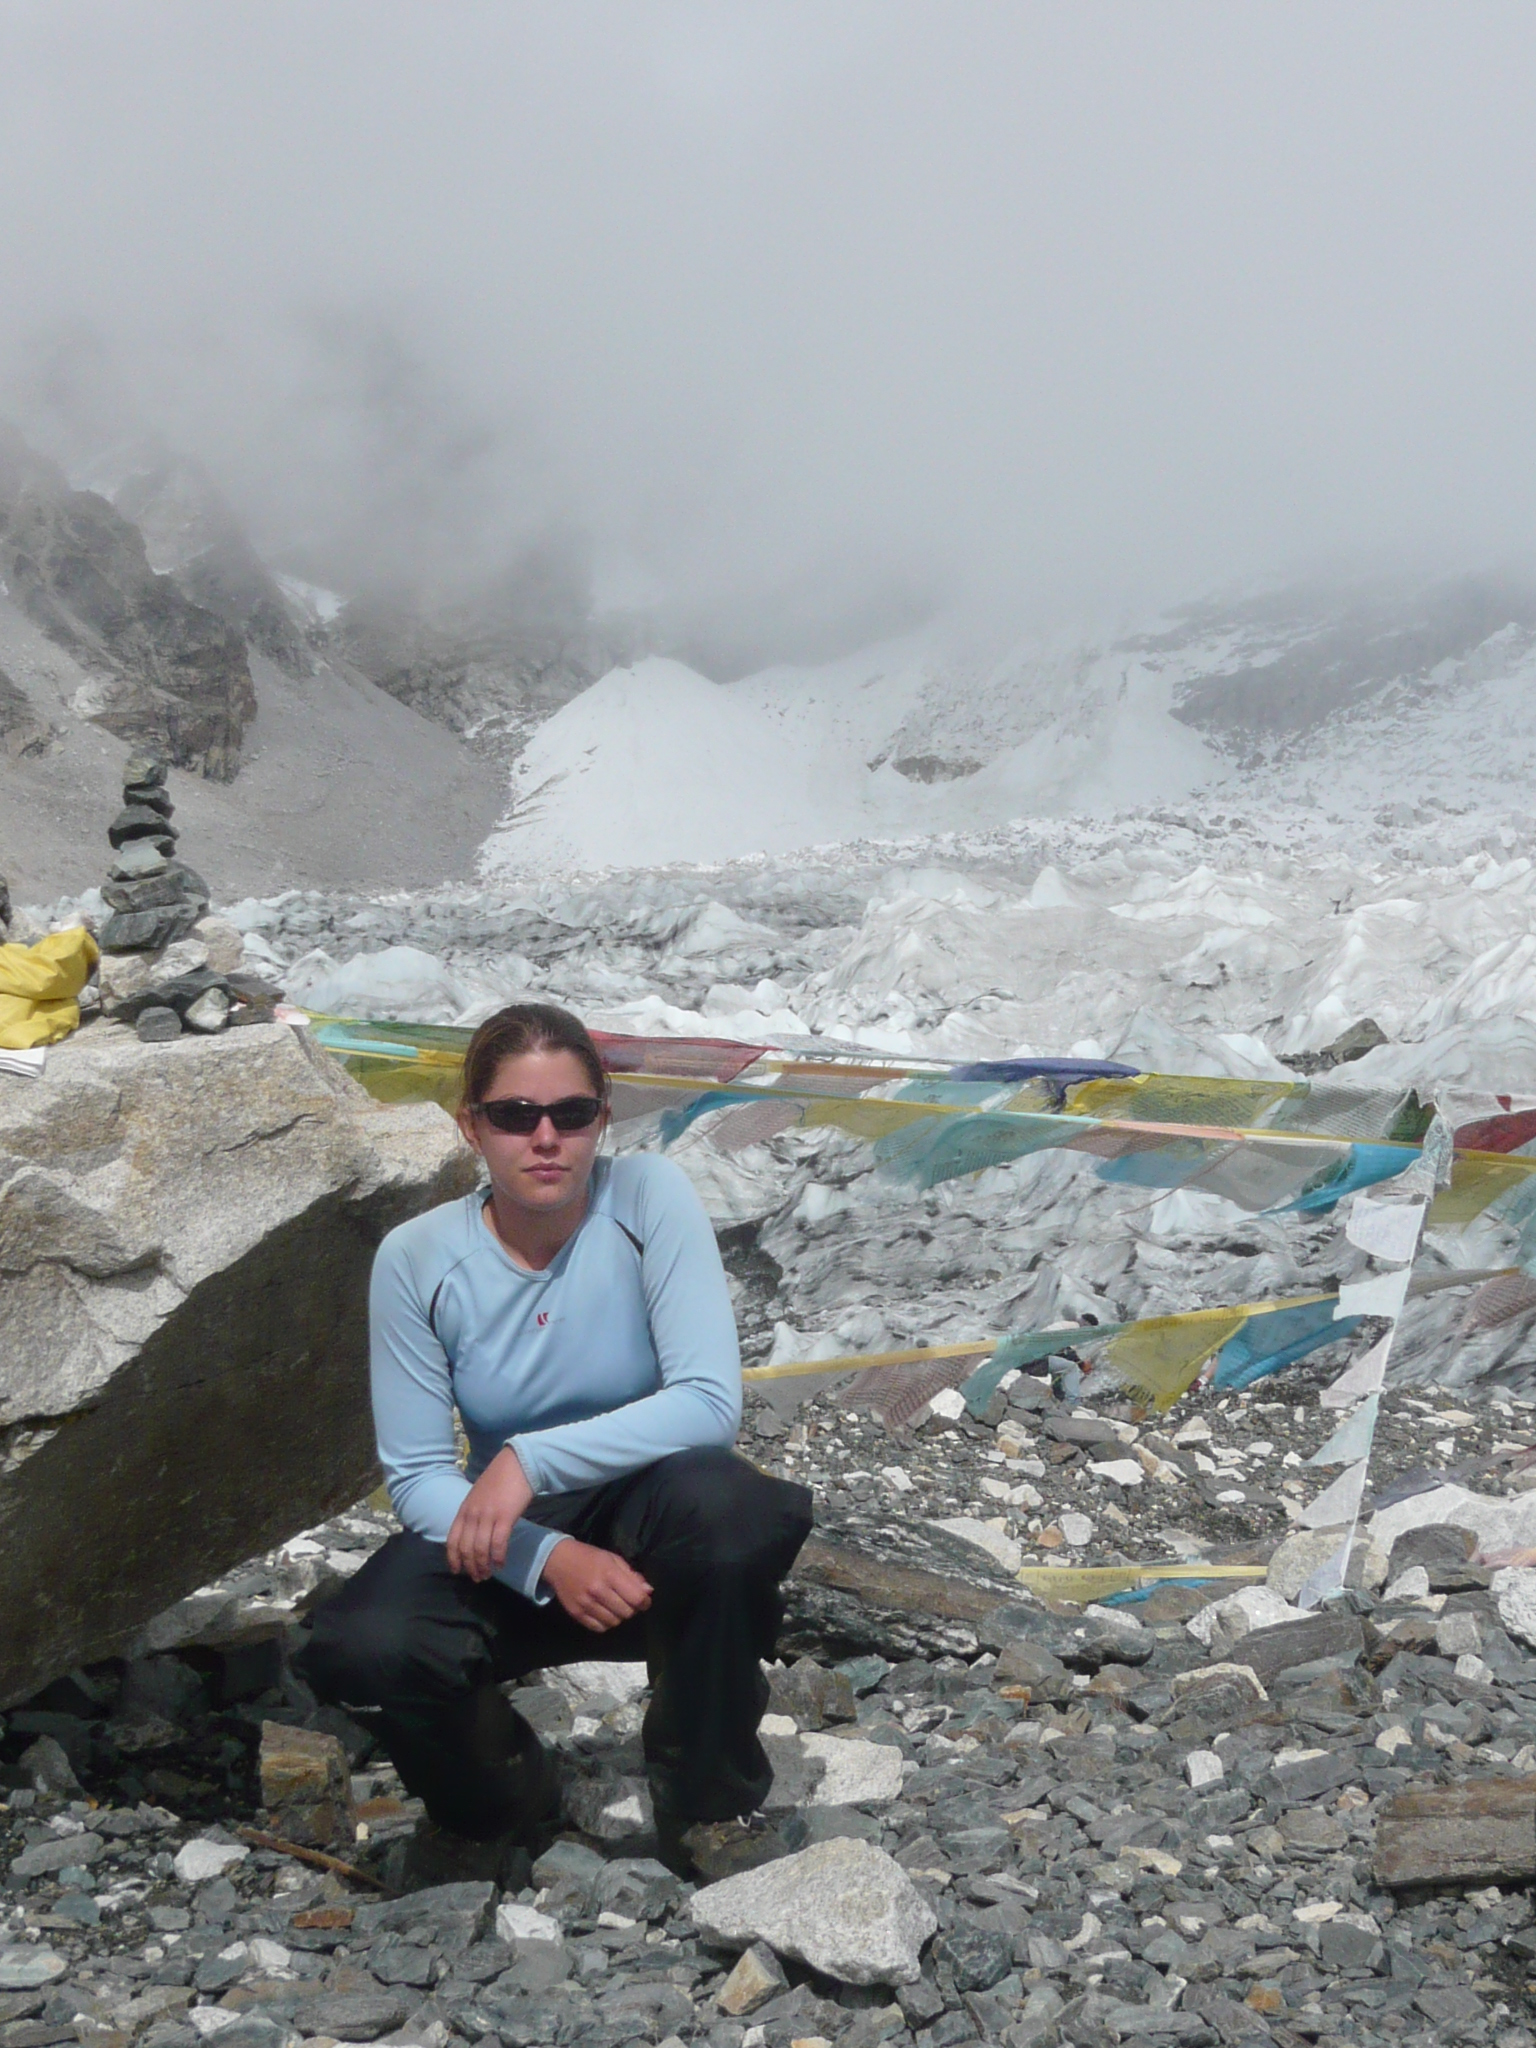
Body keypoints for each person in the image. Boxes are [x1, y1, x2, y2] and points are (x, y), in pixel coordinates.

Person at [297, 1001, 813, 1883]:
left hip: (655, 1511)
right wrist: (544, 1557)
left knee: (734, 1511)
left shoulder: (649, 1197)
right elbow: (418, 1478)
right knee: (362, 1643)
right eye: (514, 1116)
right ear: (473, 1127)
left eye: (572, 1114)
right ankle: (497, 1796)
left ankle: (708, 1803)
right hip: (510, 1530)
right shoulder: (418, 1258)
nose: (546, 1138)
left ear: (601, 1119)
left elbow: (705, 1404)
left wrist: (527, 1459)